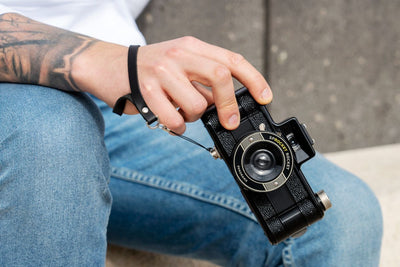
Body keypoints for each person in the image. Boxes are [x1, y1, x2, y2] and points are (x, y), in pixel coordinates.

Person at [0, 1, 383, 266]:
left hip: (122, 94)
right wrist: (101, 58)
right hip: (37, 99)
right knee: (52, 137)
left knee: (342, 217)